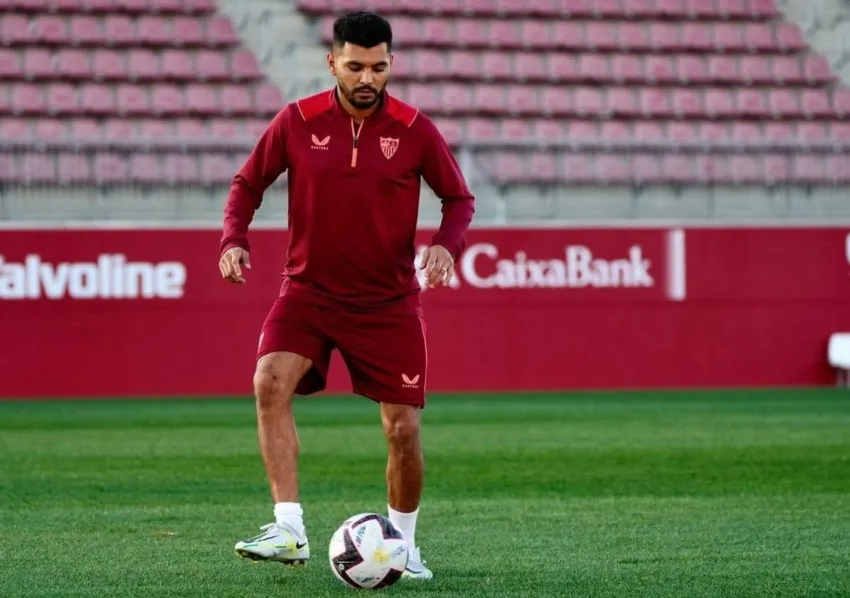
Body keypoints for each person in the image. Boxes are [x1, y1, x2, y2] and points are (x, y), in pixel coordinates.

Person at [217, 10, 475, 581]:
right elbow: (247, 183)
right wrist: (233, 239)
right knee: (267, 382)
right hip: (307, 292)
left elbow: (458, 199)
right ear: (332, 62)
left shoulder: (414, 129)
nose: (367, 78)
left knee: (402, 428)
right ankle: (288, 528)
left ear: (390, 66)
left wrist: (446, 246)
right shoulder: (297, 120)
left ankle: (403, 548)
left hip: (388, 303)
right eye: (355, 66)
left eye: (378, 67)